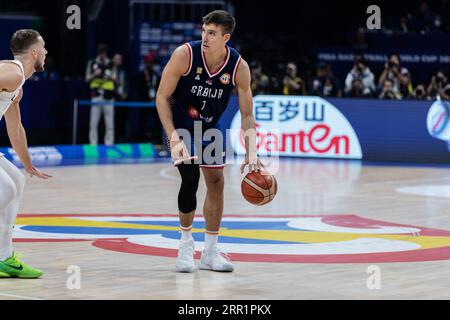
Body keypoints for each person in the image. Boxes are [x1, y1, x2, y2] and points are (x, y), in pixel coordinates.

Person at [156, 10, 263, 273]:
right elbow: (161, 97)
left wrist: (251, 152)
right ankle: (185, 246)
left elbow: (248, 114)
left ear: (225, 37)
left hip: (209, 128)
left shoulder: (239, 67)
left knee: (216, 182)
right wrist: (173, 136)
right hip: (179, 124)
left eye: (212, 33)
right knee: (190, 178)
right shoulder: (185, 55)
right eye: (204, 31)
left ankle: (210, 252)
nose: (205, 37)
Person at [0, 29, 52, 278]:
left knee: (17, 180)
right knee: (6, 189)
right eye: (43, 48)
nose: (46, 52)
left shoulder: (16, 85)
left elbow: (15, 128)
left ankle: (4, 257)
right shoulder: (12, 72)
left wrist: (28, 164)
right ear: (34, 52)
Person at [85, 44, 116, 146]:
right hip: (96, 96)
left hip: (108, 97)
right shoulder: (92, 63)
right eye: (100, 52)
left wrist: (109, 75)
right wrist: (95, 74)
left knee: (109, 123)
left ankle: (109, 144)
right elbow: (87, 78)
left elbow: (115, 78)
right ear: (98, 52)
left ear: (106, 52)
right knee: (93, 123)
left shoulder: (111, 63)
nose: (102, 54)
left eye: (103, 52)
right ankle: (93, 143)